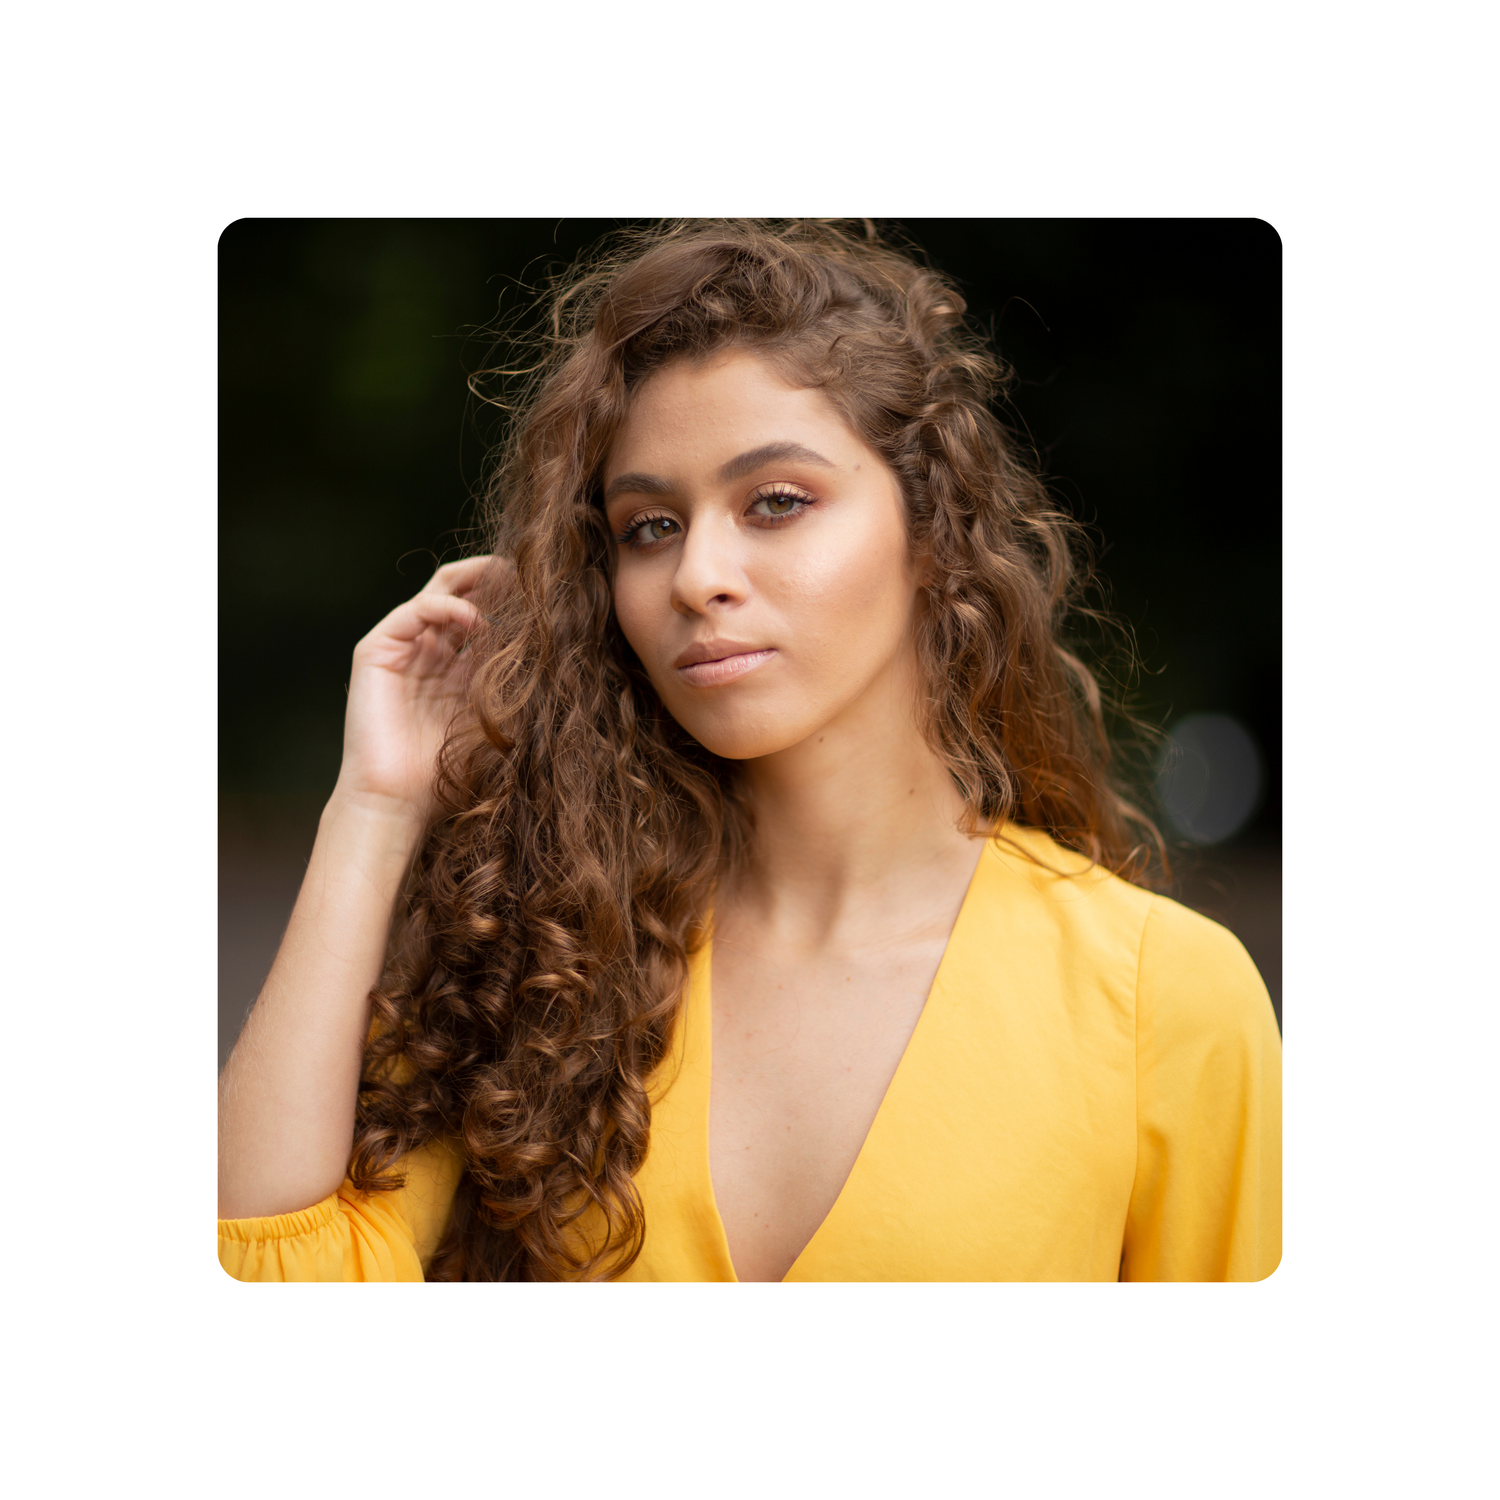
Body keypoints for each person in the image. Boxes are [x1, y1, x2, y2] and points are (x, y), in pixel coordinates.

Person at [217, 219, 1281, 1282]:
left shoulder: (1162, 1001)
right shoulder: (539, 963)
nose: (697, 575)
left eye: (776, 502)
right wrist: (374, 809)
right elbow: (266, 1281)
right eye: (649, 526)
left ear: (934, 527)